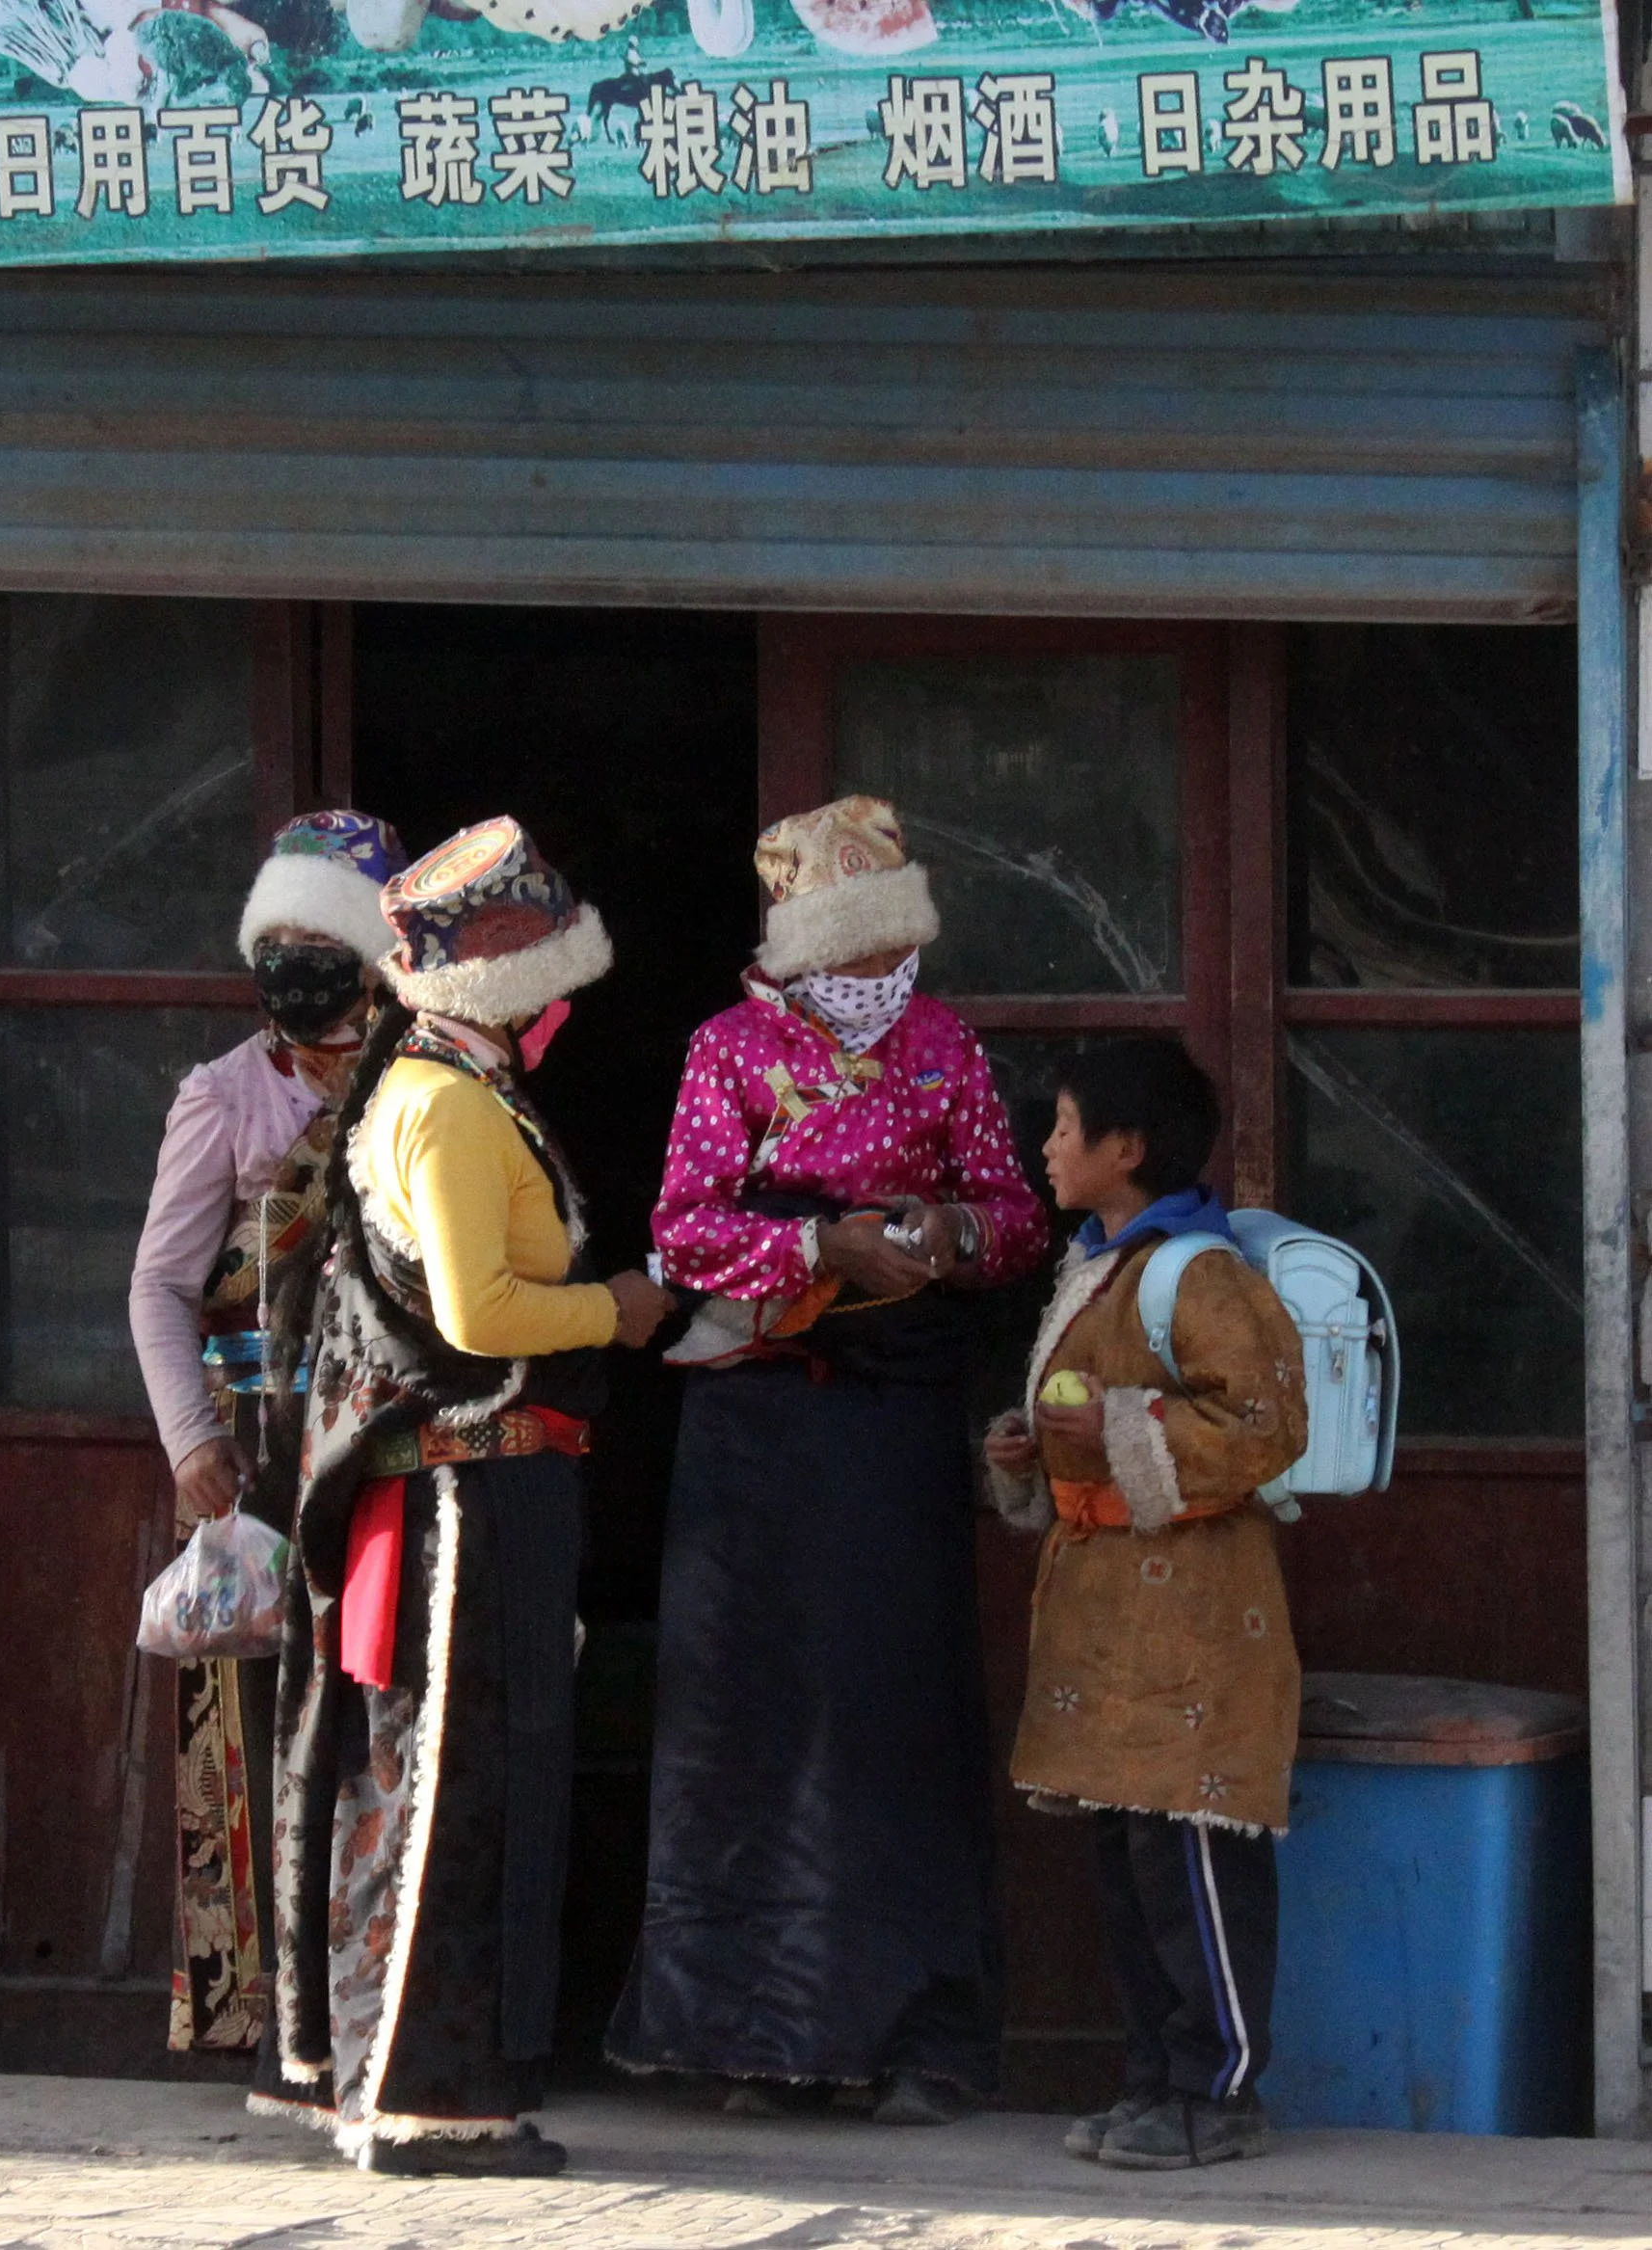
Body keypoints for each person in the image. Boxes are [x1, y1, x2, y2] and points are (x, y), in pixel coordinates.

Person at [606, 794, 1049, 2123]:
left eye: (887, 952)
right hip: (756, 1429)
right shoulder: (728, 1050)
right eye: (847, 955)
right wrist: (815, 1248)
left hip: (892, 1424)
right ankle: (752, 2038)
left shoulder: (943, 1046)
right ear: (801, 949)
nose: (872, 980)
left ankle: (919, 2033)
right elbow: (681, 1235)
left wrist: (945, 1230)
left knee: (890, 1710)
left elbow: (1019, 1216)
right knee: (752, 1721)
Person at [273, 815, 673, 2177]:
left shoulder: (453, 1089)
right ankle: (422, 2099)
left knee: (470, 1789)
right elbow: (478, 1306)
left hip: (496, 1497)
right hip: (465, 1505)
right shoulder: (440, 1105)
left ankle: (447, 2091)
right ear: (513, 988)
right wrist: (616, 1310)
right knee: (446, 1796)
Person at [981, 1038, 1308, 2172]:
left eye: (1067, 1128)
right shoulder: (1096, 1266)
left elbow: (1267, 1428)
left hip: (1198, 1623)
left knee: (1196, 1863)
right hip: (1110, 1615)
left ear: (1127, 1148)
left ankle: (1218, 2091)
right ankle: (1150, 2079)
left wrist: (1118, 1423)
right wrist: (1031, 1453)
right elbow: (1089, 1438)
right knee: (1130, 1866)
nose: (1048, 1147)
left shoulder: (1200, 1277)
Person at [128, 808, 409, 2104]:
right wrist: (189, 1435)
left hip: (390, 1444)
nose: (299, 961)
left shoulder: (422, 1083)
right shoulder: (223, 1096)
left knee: (383, 1722)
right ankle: (274, 2026)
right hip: (259, 1454)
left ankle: (389, 2012)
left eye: (324, 938)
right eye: (279, 938)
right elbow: (159, 1286)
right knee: (260, 1735)